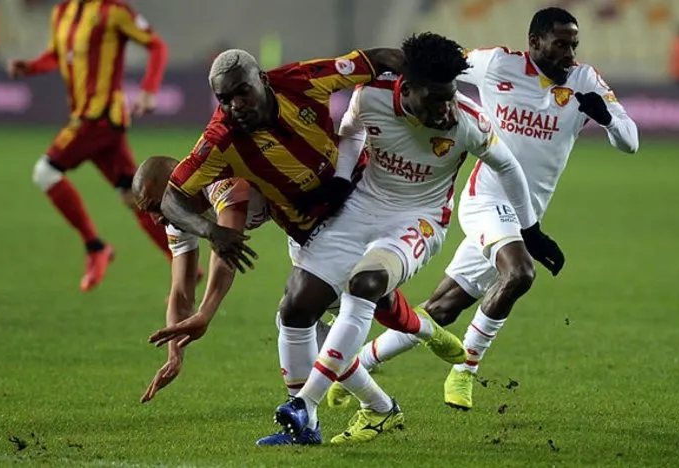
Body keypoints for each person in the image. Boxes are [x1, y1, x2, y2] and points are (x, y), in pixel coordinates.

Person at [258, 32, 562, 446]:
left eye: (450, 96)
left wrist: (530, 230)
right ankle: (319, 426)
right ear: (407, 88)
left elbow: (507, 166)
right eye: (435, 99)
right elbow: (352, 131)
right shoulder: (372, 96)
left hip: (418, 221)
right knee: (296, 307)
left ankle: (304, 405)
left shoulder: (467, 121)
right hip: (359, 208)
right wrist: (343, 180)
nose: (446, 108)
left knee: (365, 284)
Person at [331, 7, 640, 411]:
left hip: (526, 211)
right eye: (561, 45)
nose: (569, 54)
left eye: (574, 45)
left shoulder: (585, 81)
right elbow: (438, 64)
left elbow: (630, 142)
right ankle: (465, 369)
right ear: (535, 42)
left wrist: (608, 120)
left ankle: (361, 363)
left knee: (442, 309)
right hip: (487, 199)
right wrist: (378, 74)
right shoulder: (496, 64)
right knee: (520, 273)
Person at [152, 48, 465, 413]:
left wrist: (426, 92)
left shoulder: (301, 81)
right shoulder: (221, 141)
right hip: (308, 232)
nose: (235, 105)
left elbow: (381, 58)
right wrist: (211, 231)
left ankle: (328, 413)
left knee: (308, 313)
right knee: (348, 307)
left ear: (262, 79)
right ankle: (414, 347)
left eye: (242, 92)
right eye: (225, 99)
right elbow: (171, 202)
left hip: (361, 198)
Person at [7, 0, 171, 292]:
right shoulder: (62, 12)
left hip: (98, 118)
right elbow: (57, 55)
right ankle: (182, 262)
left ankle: (96, 248)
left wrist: (148, 90)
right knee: (133, 196)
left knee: (45, 172)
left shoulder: (113, 10)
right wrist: (31, 67)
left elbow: (157, 46)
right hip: (94, 121)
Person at [133, 156, 270, 403]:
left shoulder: (218, 181)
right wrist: (175, 355)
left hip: (318, 199)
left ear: (177, 185)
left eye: (156, 207)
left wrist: (205, 314)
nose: (156, 220)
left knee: (299, 312)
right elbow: (181, 291)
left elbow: (226, 251)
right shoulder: (177, 218)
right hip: (294, 221)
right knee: (299, 315)